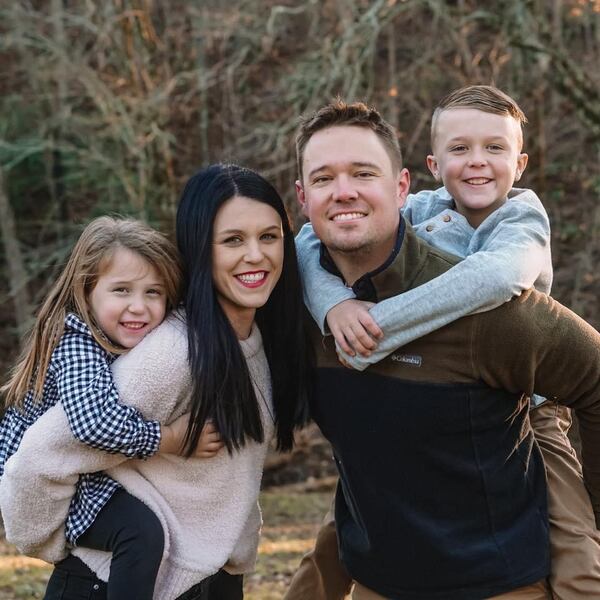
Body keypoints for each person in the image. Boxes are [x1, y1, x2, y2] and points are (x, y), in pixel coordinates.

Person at [289, 87, 600, 599]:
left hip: (535, 406)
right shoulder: (421, 209)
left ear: (520, 163)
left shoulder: (520, 220)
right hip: (396, 503)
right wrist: (333, 307)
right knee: (349, 517)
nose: (477, 163)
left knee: (573, 534)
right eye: (460, 149)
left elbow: (498, 278)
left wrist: (381, 326)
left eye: (495, 149)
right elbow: (306, 241)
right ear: (432, 165)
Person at [0, 164, 312, 600]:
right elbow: (35, 460)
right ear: (201, 249)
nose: (256, 255)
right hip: (110, 583)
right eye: (232, 240)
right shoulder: (173, 351)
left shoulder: (258, 339)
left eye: (269, 236)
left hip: (208, 578)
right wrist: (52, 542)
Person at [0, 216, 202, 599]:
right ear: (86, 290)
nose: (138, 307)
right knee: (140, 532)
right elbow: (93, 423)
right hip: (49, 489)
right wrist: (168, 439)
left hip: (90, 473)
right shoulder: (75, 341)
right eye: (121, 290)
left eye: (154, 293)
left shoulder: (134, 340)